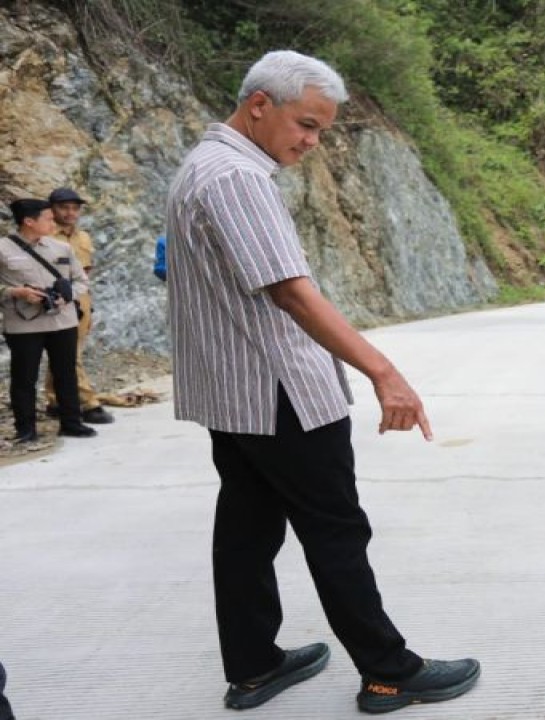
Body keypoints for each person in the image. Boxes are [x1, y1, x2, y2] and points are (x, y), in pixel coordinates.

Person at [165, 50, 479, 713]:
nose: (312, 142)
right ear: (259, 105)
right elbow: (292, 294)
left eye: (321, 130)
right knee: (336, 530)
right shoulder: (237, 178)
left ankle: (254, 666)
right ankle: (389, 672)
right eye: (306, 124)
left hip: (235, 393)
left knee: (247, 530)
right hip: (280, 391)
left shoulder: (203, 165)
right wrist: (385, 372)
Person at [1, 198, 97, 442]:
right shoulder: (3, 249)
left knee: (66, 373)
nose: (53, 223)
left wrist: (67, 296)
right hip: (23, 324)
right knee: (24, 378)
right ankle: (26, 430)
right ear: (29, 221)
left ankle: (72, 424)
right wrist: (16, 292)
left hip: (62, 321)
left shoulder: (61, 248)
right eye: (48, 218)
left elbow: (82, 281)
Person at [43, 187, 113, 424]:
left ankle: (55, 400)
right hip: (56, 300)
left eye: (75, 208)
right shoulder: (45, 238)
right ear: (52, 209)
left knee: (68, 352)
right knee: (70, 353)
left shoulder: (83, 238)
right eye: (64, 207)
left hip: (80, 299)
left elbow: (86, 273)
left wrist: (88, 307)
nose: (70, 213)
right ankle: (87, 402)